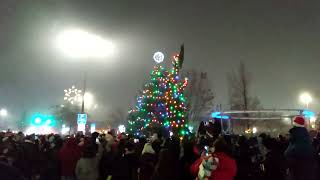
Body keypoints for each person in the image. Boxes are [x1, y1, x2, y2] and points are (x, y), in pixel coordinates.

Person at [284, 116, 318, 180]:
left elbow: (289, 154)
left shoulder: (297, 138)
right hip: (307, 173)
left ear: (295, 126)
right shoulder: (305, 138)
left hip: (298, 173)